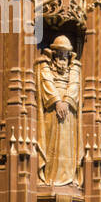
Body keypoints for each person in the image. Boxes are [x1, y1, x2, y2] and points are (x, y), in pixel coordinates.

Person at [36, 36, 82, 186]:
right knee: (51, 143)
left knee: (67, 145)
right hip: (51, 109)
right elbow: (46, 81)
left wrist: (67, 101)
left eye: (65, 54)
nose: (63, 57)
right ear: (54, 54)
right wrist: (57, 102)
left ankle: (68, 177)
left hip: (69, 110)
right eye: (60, 53)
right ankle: (50, 177)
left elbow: (75, 84)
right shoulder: (45, 65)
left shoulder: (74, 68)